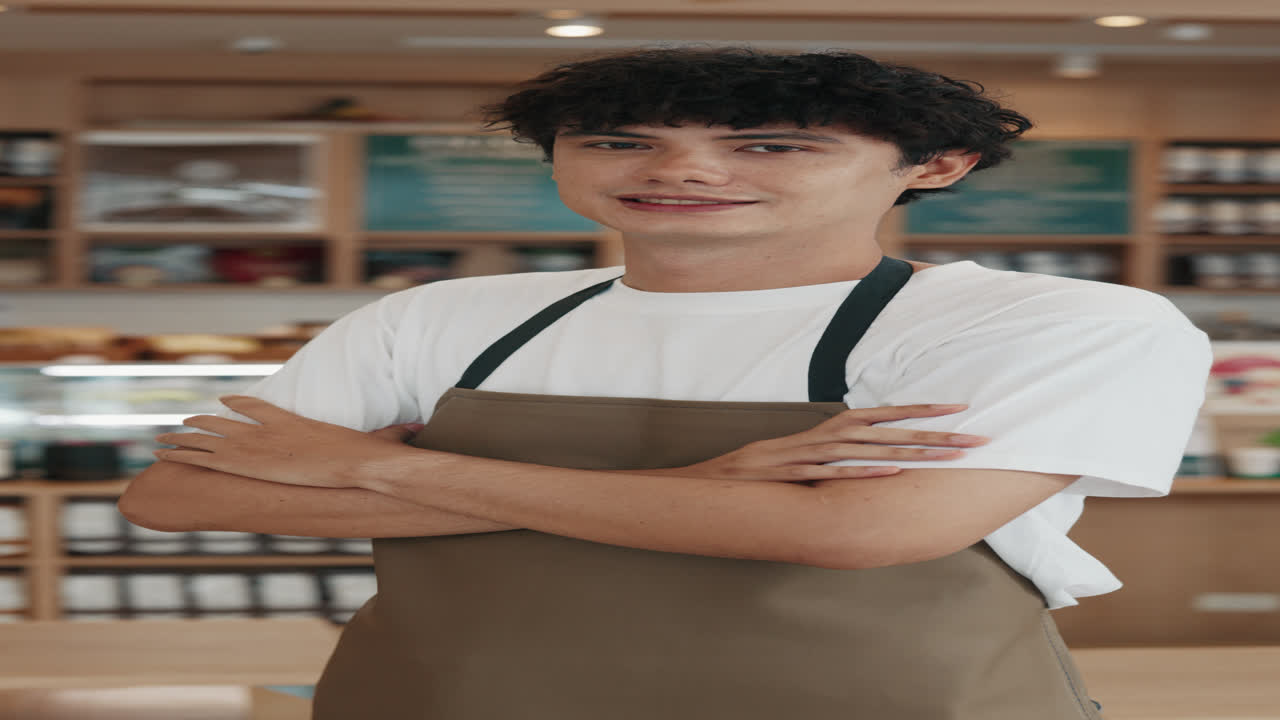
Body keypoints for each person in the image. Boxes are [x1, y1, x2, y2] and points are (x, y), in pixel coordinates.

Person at [120, 47, 1211, 719]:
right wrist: (711, 483)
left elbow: (859, 532)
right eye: (615, 139)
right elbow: (177, 497)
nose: (680, 171)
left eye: (772, 146)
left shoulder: (1052, 321)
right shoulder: (441, 316)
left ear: (933, 165)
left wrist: (368, 466)